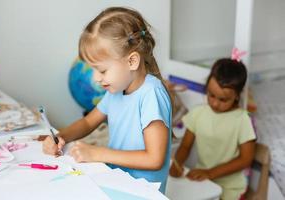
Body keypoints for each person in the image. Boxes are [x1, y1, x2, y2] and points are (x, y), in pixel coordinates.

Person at [42, 7, 172, 193]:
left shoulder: (151, 94)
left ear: (132, 61)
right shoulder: (116, 90)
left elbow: (154, 158)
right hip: (117, 182)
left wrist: (97, 153)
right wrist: (60, 137)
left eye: (102, 70)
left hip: (142, 192)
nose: (96, 78)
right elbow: (88, 122)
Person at [169, 53, 256, 199]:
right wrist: (177, 164)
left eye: (223, 99)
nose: (215, 103)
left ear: (236, 96)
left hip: (230, 186)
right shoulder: (198, 113)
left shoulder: (242, 120)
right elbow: (185, 146)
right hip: (203, 178)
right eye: (211, 95)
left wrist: (211, 173)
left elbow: (246, 159)